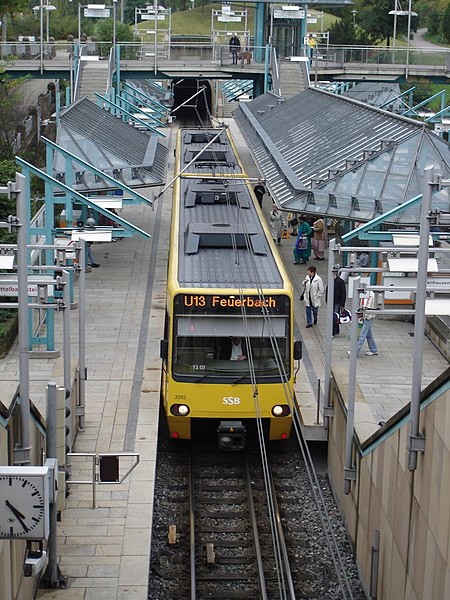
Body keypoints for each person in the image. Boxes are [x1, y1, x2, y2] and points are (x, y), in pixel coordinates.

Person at [347, 291, 378, 357]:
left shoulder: (372, 296)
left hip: (368, 317)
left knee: (362, 335)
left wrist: (366, 315)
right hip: (365, 316)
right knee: (368, 334)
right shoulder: (364, 295)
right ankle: (373, 349)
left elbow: (372, 307)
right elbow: (362, 305)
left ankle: (354, 352)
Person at [326, 270, 347, 337]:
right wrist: (327, 300)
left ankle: (333, 332)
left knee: (334, 317)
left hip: (337, 302)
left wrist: (342, 304)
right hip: (331, 302)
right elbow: (327, 290)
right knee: (333, 317)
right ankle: (335, 330)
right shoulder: (330, 281)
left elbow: (343, 293)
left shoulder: (340, 282)